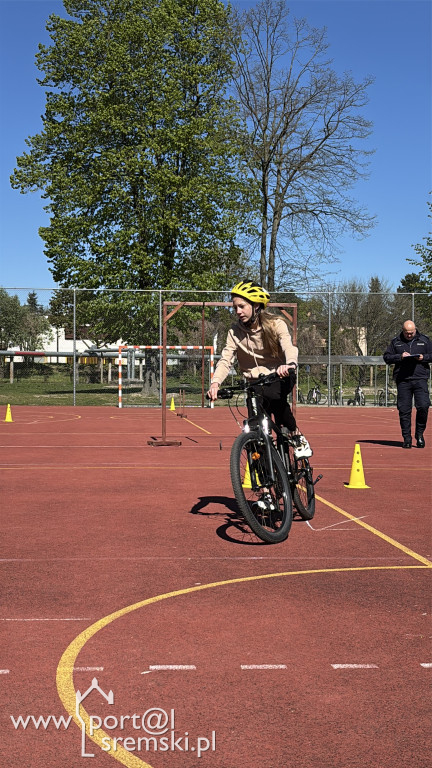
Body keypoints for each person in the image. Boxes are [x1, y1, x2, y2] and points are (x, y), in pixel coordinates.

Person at [207, 280, 311, 458]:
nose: (238, 311)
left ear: (256, 306)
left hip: (280, 375)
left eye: (242, 306)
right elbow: (226, 360)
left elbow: (288, 346)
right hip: (254, 382)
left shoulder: (276, 324)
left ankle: (295, 435)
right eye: (235, 308)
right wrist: (215, 383)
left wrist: (290, 364)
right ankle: (264, 475)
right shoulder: (234, 332)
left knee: (274, 398)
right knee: (254, 423)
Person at [383, 320, 432, 448]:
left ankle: (419, 434)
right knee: (404, 410)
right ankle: (407, 438)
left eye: (411, 333)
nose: (409, 335)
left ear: (415, 330)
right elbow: (387, 357)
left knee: (423, 406)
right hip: (403, 380)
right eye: (407, 333)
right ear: (403, 331)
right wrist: (400, 357)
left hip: (420, 378)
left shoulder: (425, 340)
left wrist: (423, 358)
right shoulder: (396, 341)